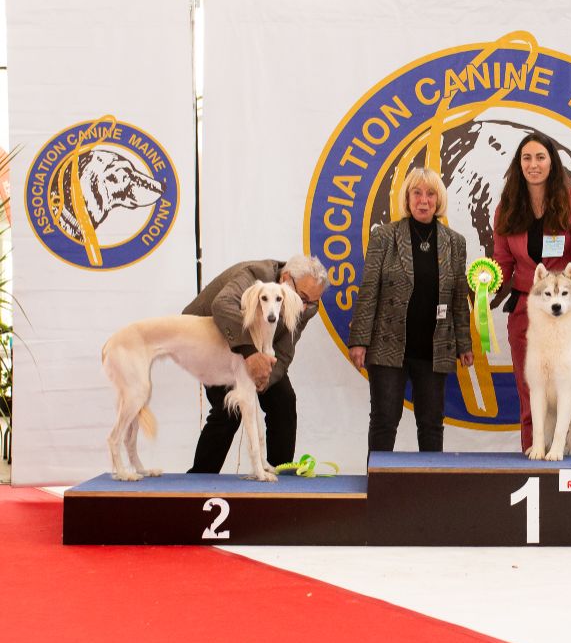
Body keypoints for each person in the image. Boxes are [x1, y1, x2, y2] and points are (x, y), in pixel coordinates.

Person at [348, 167, 473, 452]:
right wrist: (359, 340)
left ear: (438, 200)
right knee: (384, 421)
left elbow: (458, 298)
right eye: (416, 193)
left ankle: (430, 492)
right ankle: (378, 489)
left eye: (430, 194)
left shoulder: (456, 242)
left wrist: (464, 344)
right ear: (407, 197)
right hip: (387, 345)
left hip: (434, 348)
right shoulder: (384, 236)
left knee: (431, 424)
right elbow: (369, 291)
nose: (423, 200)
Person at [492, 131, 571, 452]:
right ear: (518, 164)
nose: (533, 164)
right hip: (526, 309)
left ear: (552, 163)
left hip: (567, 308)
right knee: (530, 386)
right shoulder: (507, 207)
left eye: (540, 157)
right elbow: (502, 262)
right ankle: (533, 451)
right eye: (527, 158)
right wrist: (483, 288)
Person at [185, 254, 327, 473]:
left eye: (312, 302)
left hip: (259, 349)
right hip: (211, 341)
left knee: (283, 400)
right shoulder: (254, 275)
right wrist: (250, 354)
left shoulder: (306, 306)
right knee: (229, 409)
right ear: (286, 278)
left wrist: (264, 379)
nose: (304, 307)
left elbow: (284, 350)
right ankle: (200, 480)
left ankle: (280, 474)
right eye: (303, 297)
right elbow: (222, 305)